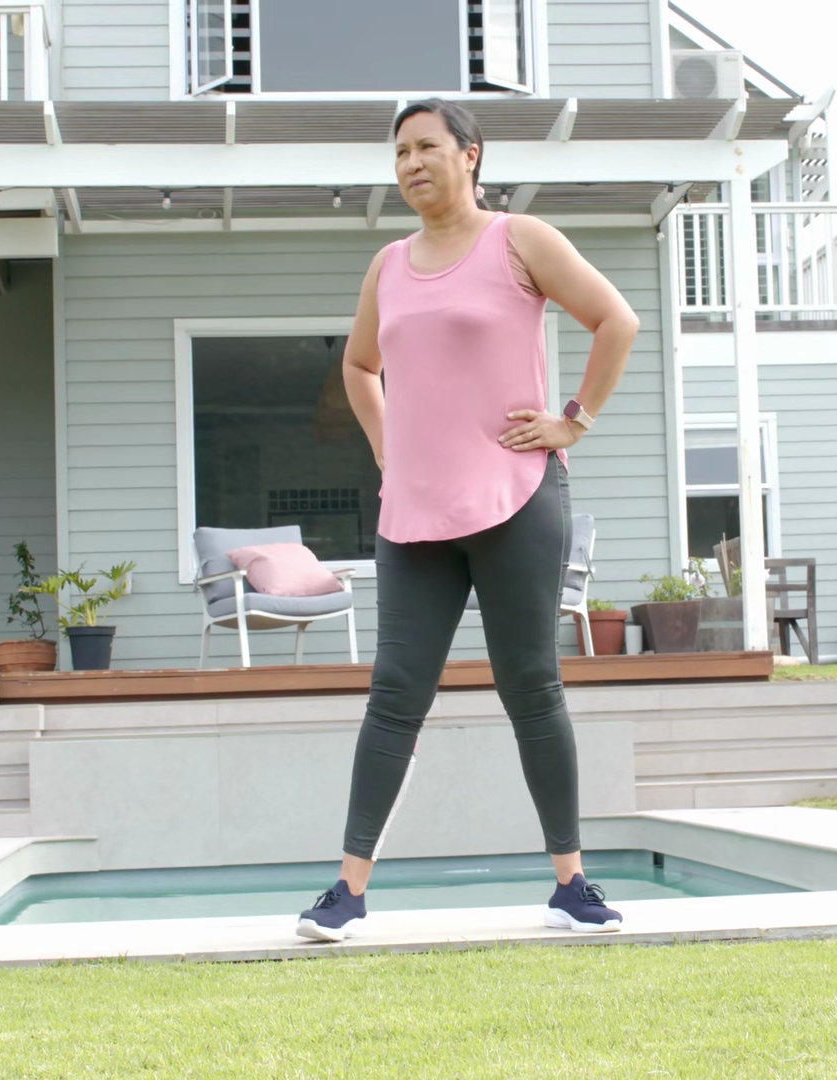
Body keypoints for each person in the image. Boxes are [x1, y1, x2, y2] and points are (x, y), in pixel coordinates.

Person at [296, 99, 639, 941]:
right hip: (414, 514)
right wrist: (389, 448)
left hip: (518, 499)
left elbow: (616, 320)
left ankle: (571, 883)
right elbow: (360, 365)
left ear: (471, 155)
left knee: (531, 686)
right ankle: (346, 892)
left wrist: (574, 421)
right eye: (400, 152)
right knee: (394, 693)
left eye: (427, 147)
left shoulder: (520, 240)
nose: (411, 163)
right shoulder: (388, 265)